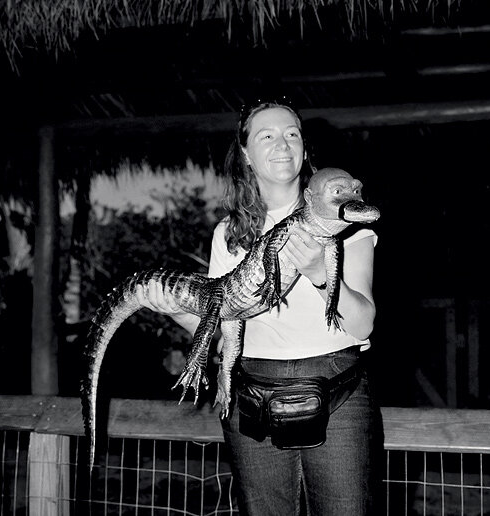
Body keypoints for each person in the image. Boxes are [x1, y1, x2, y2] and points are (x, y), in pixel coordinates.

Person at [136, 96, 382, 515]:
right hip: (251, 396)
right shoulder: (229, 232)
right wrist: (175, 311)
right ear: (246, 153)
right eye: (267, 136)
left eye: (292, 134)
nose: (282, 144)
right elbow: (225, 326)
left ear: (304, 147)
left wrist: (319, 273)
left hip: (338, 393)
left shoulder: (345, 218)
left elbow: (362, 324)